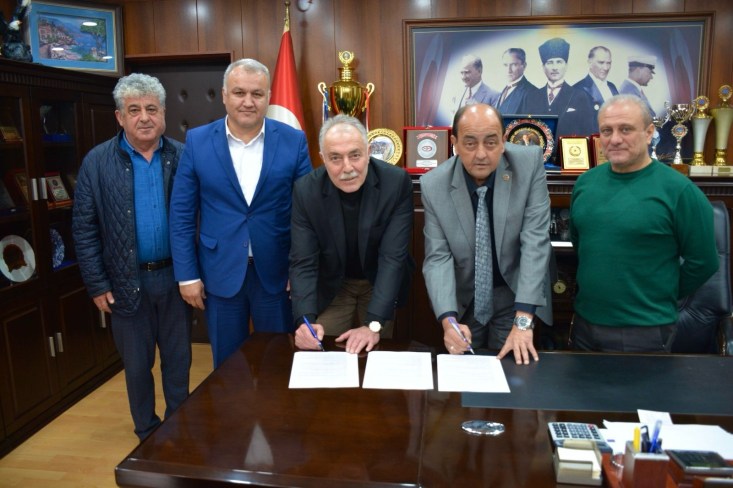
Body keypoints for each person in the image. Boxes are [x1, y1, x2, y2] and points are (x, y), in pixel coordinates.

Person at [169, 58, 312, 367]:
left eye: (257, 94)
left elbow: (307, 214)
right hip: (219, 273)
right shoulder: (197, 141)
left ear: (268, 97)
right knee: (227, 368)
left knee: (278, 363)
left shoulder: (293, 141)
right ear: (224, 95)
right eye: (239, 92)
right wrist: (187, 275)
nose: (248, 101)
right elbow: (182, 214)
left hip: (276, 274)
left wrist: (299, 269)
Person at [72, 73, 191, 440]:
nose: (144, 117)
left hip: (175, 280)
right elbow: (84, 228)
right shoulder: (97, 162)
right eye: (134, 110)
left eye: (152, 109)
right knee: (138, 368)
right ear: (119, 117)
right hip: (125, 282)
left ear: (164, 114)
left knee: (178, 363)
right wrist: (97, 284)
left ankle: (179, 430)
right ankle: (147, 435)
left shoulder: (184, 156)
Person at [569, 94, 718, 352]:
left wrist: (660, 293)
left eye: (625, 129)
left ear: (649, 133)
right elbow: (580, 244)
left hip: (644, 330)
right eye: (607, 130)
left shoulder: (679, 190)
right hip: (584, 324)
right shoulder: (585, 183)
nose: (615, 139)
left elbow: (704, 262)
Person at [421, 103, 553, 365]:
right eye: (470, 143)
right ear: (455, 144)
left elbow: (535, 242)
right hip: (466, 297)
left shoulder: (528, 164)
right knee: (464, 377)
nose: (481, 154)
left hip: (515, 293)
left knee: (514, 371)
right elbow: (437, 258)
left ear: (503, 142)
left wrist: (523, 321)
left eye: (491, 143)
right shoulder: (434, 184)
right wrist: (448, 321)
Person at [290, 115, 414, 354]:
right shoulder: (306, 191)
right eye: (335, 158)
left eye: (355, 155)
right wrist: (304, 321)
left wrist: (373, 324)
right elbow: (303, 262)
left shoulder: (395, 183)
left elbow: (392, 258)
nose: (347, 168)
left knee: (375, 351)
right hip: (334, 284)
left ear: (368, 152)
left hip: (379, 281)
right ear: (323, 158)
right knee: (321, 349)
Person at [520, 37, 595, 137]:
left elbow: (588, 133)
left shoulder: (580, 96)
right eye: (550, 62)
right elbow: (524, 130)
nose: (555, 68)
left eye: (559, 62)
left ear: (566, 65)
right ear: (543, 67)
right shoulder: (531, 97)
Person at [573, 46, 619, 132]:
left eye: (608, 63)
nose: (606, 68)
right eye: (601, 63)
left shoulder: (612, 87)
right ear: (590, 63)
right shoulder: (577, 89)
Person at [492, 48, 537, 115]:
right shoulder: (505, 89)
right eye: (505, 65)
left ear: (524, 66)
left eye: (513, 65)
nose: (508, 70)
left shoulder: (532, 92)